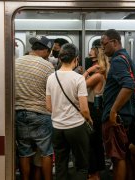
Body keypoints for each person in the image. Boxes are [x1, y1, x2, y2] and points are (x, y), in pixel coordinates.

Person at [46, 43, 93, 180]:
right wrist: (89, 119)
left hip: (57, 128)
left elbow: (48, 106)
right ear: (76, 59)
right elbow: (84, 109)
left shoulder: (51, 77)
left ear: (60, 59)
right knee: (81, 165)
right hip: (76, 127)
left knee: (61, 165)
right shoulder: (78, 78)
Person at [100, 29, 135, 180]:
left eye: (104, 45)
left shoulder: (117, 61)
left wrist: (113, 111)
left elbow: (128, 85)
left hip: (117, 119)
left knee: (118, 158)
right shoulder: (127, 59)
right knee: (125, 156)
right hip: (127, 116)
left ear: (114, 42)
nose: (103, 49)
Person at [15, 36, 54, 180]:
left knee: (24, 151)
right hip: (40, 113)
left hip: (18, 112)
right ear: (45, 50)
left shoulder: (16, 63)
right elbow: (51, 90)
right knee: (46, 152)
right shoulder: (47, 66)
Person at [82, 39, 109, 180]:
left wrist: (87, 71)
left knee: (91, 143)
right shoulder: (102, 73)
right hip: (98, 109)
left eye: (92, 50)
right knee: (96, 142)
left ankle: (93, 174)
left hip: (93, 109)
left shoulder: (97, 75)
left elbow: (79, 85)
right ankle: (96, 171)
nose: (89, 52)